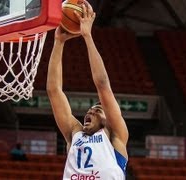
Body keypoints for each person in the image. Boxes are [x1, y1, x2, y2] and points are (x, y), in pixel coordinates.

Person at [46, 1, 129, 179]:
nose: (90, 110)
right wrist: (58, 42)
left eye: (98, 110)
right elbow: (54, 91)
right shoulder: (74, 133)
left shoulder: (115, 135)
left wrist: (87, 36)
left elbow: (102, 84)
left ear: (109, 118)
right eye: (91, 109)